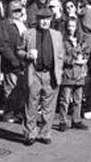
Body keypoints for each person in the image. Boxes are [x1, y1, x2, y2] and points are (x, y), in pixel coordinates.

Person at [19, 8, 64, 145]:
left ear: (51, 20)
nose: (45, 22)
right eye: (42, 19)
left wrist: (59, 72)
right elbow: (19, 50)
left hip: (50, 74)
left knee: (48, 107)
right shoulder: (28, 34)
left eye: (48, 19)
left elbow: (61, 55)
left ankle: (45, 133)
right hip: (34, 73)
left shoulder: (57, 35)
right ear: (38, 20)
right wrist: (27, 55)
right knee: (31, 105)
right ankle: (30, 134)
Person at [0, 0, 28, 122]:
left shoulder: (23, 24)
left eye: (19, 10)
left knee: (21, 89)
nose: (17, 13)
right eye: (15, 10)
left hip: (23, 61)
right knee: (11, 89)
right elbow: (2, 45)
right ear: (9, 11)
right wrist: (13, 59)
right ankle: (8, 113)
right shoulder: (3, 24)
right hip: (11, 62)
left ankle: (18, 112)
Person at [56, 16, 88, 132]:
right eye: (69, 26)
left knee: (78, 99)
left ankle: (76, 120)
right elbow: (61, 56)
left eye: (73, 26)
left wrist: (84, 58)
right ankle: (63, 121)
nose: (71, 28)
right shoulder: (63, 41)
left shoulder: (81, 40)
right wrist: (73, 60)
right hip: (68, 72)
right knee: (65, 99)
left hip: (80, 72)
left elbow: (86, 51)